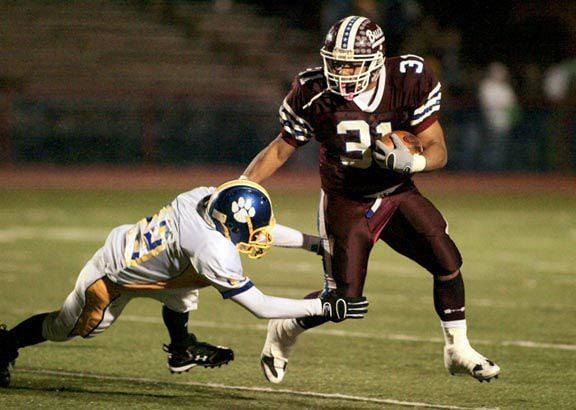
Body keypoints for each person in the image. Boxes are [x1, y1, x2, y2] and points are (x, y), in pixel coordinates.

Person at [240, 16, 500, 383]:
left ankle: (457, 347)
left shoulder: (409, 79)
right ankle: (284, 329)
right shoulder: (313, 92)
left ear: (377, 60)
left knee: (447, 261)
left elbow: (438, 148)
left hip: (396, 191)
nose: (342, 72)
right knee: (343, 302)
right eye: (336, 62)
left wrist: (417, 161)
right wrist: (239, 187)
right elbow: (281, 150)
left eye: (351, 63)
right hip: (347, 200)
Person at [0, 179, 368, 388]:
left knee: (186, 290)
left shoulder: (205, 197)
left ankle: (180, 349)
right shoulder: (212, 249)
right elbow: (260, 307)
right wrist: (324, 306)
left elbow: (257, 230)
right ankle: (4, 344)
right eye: (251, 233)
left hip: (157, 260)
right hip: (111, 277)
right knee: (68, 327)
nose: (260, 237)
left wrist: (314, 244)